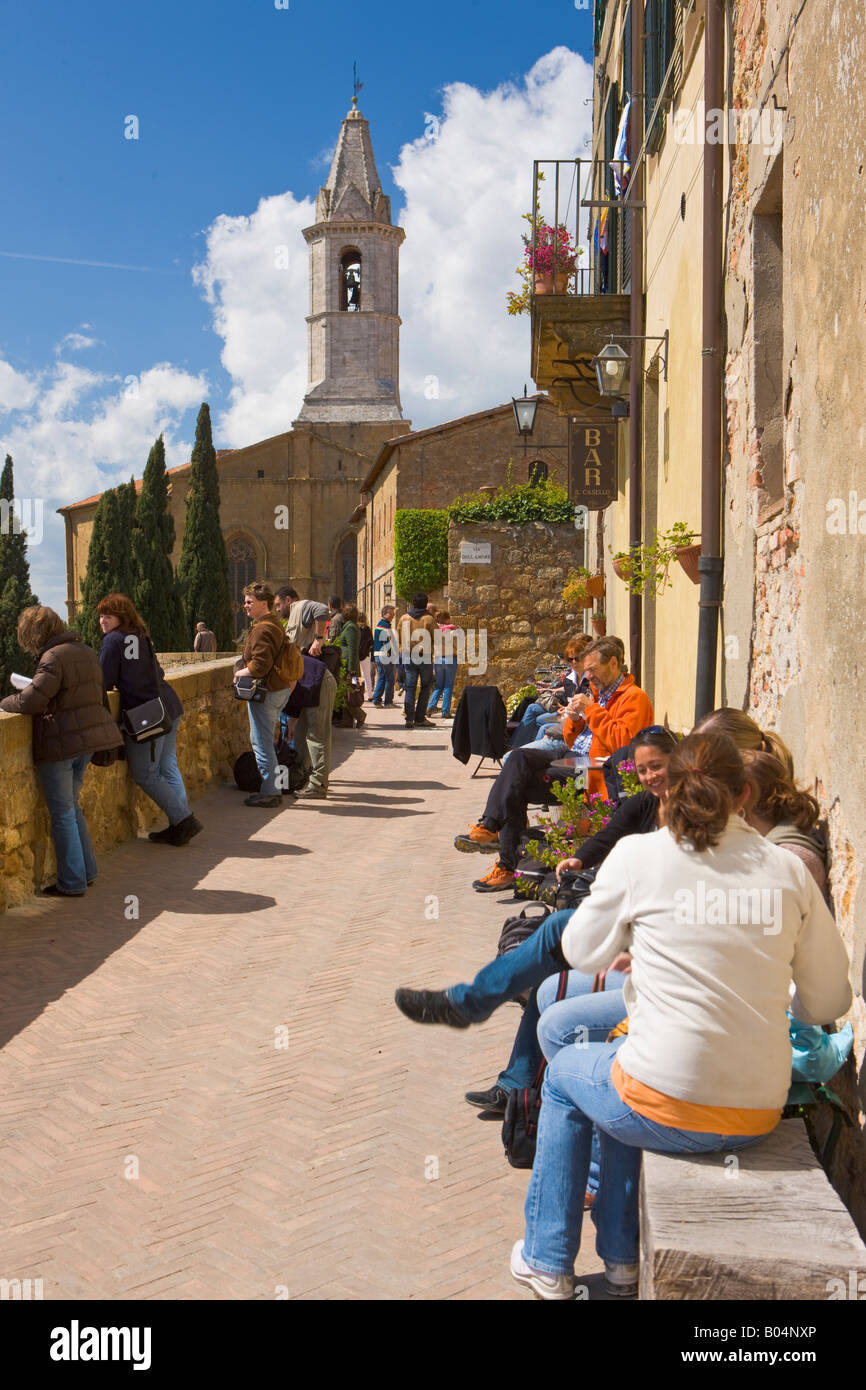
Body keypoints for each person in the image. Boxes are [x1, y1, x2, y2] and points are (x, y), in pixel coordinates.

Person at [510, 730, 851, 1299]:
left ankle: (548, 1261)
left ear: (668, 789)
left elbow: (583, 952)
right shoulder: (786, 870)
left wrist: (638, 936)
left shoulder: (642, 855)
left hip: (667, 1101)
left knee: (572, 1075)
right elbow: (826, 1002)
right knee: (619, 1072)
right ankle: (620, 1262)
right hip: (756, 1110)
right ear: (744, 794)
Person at [395, 729, 677, 1113]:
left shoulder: (694, 816)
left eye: (656, 767)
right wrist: (578, 858)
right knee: (549, 971)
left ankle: (471, 1006)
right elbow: (610, 835)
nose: (648, 777)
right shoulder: (646, 804)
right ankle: (515, 1086)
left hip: (653, 948)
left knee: (557, 934)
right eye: (642, 770)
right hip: (638, 933)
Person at [459, 637, 654, 891]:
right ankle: (492, 829)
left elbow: (623, 744)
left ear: (614, 662)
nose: (589, 675)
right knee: (517, 761)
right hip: (575, 758)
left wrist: (591, 711)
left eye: (593, 669)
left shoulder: (633, 697)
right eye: (587, 670)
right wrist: (573, 719)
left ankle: (504, 857)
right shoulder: (595, 694)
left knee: (513, 787)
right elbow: (572, 738)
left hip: (590, 773)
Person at [0, 606, 123, 895]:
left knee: (63, 813)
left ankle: (72, 882)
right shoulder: (84, 650)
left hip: (62, 743)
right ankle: (87, 871)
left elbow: (32, 701)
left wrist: (6, 702)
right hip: (86, 743)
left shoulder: (53, 657)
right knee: (71, 807)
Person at [97, 593, 201, 846]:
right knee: (166, 766)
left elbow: (102, 680)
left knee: (145, 773)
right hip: (168, 705)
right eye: (100, 616)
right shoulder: (141, 635)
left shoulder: (113, 640)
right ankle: (179, 823)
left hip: (146, 715)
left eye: (107, 616)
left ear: (121, 618)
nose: (102, 621)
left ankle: (184, 820)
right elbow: (159, 671)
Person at [233, 581, 301, 807]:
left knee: (261, 742)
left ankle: (270, 792)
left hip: (268, 691)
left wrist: (238, 673)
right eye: (245, 602)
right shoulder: (273, 624)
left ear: (264, 603)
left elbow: (260, 665)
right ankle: (271, 789)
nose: (245, 606)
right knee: (262, 740)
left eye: (249, 602)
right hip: (280, 689)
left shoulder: (263, 628)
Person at [510, 634, 593, 750]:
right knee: (532, 708)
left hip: (576, 720)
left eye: (577, 658)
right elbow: (570, 700)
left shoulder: (592, 680)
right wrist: (562, 706)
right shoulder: (570, 679)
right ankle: (519, 748)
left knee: (542, 725)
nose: (573, 662)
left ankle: (526, 753)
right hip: (566, 712)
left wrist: (562, 707)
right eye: (570, 659)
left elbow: (587, 709)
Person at [283, 653, 337, 799]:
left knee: (317, 737)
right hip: (309, 688)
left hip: (320, 684)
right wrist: (293, 719)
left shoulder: (272, 661)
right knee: (300, 736)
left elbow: (291, 684)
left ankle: (318, 786)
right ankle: (300, 778)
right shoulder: (271, 656)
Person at [399, 592, 437, 729]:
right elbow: (437, 638)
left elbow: (399, 636)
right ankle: (420, 718)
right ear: (425, 604)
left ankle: (409, 719)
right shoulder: (429, 619)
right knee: (425, 687)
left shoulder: (404, 618)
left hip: (408, 656)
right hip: (424, 656)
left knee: (410, 687)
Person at [274, 586, 329, 656]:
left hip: (309, 662)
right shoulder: (293, 614)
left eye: (278, 605)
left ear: (288, 600)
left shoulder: (300, 607)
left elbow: (322, 609)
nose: (277, 610)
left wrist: (318, 640)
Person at [337, 602, 365, 727]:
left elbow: (353, 650)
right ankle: (347, 721)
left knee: (350, 694)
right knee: (345, 694)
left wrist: (351, 670)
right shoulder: (349, 626)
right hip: (348, 666)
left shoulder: (351, 628)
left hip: (350, 668)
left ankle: (360, 715)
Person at [427, 611, 458, 718]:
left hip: (438, 659)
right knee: (448, 686)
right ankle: (445, 712)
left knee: (438, 686)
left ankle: (431, 706)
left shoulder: (435, 632)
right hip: (451, 658)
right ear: (447, 619)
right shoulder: (453, 631)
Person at [372, 605, 397, 707]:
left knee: (382, 677)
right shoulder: (384, 626)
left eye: (393, 614)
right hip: (384, 656)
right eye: (390, 614)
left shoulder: (380, 624)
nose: (392, 616)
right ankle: (388, 702)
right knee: (390, 678)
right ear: (384, 614)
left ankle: (377, 701)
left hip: (378, 655)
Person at [358, 611, 375, 700]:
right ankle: (370, 695)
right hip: (365, 655)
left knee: (355, 675)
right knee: (367, 675)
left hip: (356, 655)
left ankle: (354, 693)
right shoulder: (367, 629)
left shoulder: (355, 628)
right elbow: (371, 643)